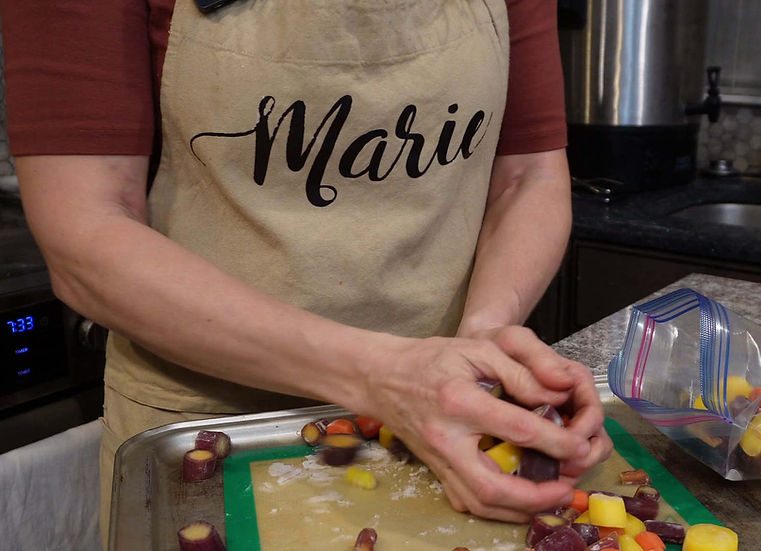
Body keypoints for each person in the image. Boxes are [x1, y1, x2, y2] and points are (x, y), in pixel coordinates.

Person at [0, 0, 613, 546]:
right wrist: (386, 377)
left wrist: (484, 343)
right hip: (210, 435)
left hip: (448, 431)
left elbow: (526, 175)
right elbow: (85, 234)